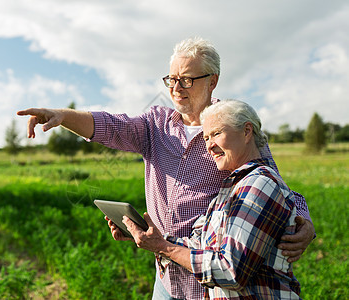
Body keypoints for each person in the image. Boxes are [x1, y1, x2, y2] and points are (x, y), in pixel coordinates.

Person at [17, 37, 314, 299]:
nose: (176, 88)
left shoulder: (232, 128)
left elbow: (275, 185)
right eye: (171, 79)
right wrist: (61, 115)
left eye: (186, 79)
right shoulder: (155, 124)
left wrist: (304, 221)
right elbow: (111, 126)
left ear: (213, 80)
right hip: (165, 278)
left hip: (210, 284)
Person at [120, 99, 301, 299]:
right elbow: (203, 248)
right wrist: (150, 237)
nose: (209, 146)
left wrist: (164, 247)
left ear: (247, 131)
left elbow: (230, 271)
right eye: (206, 138)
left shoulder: (259, 185)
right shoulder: (232, 187)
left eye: (216, 134)